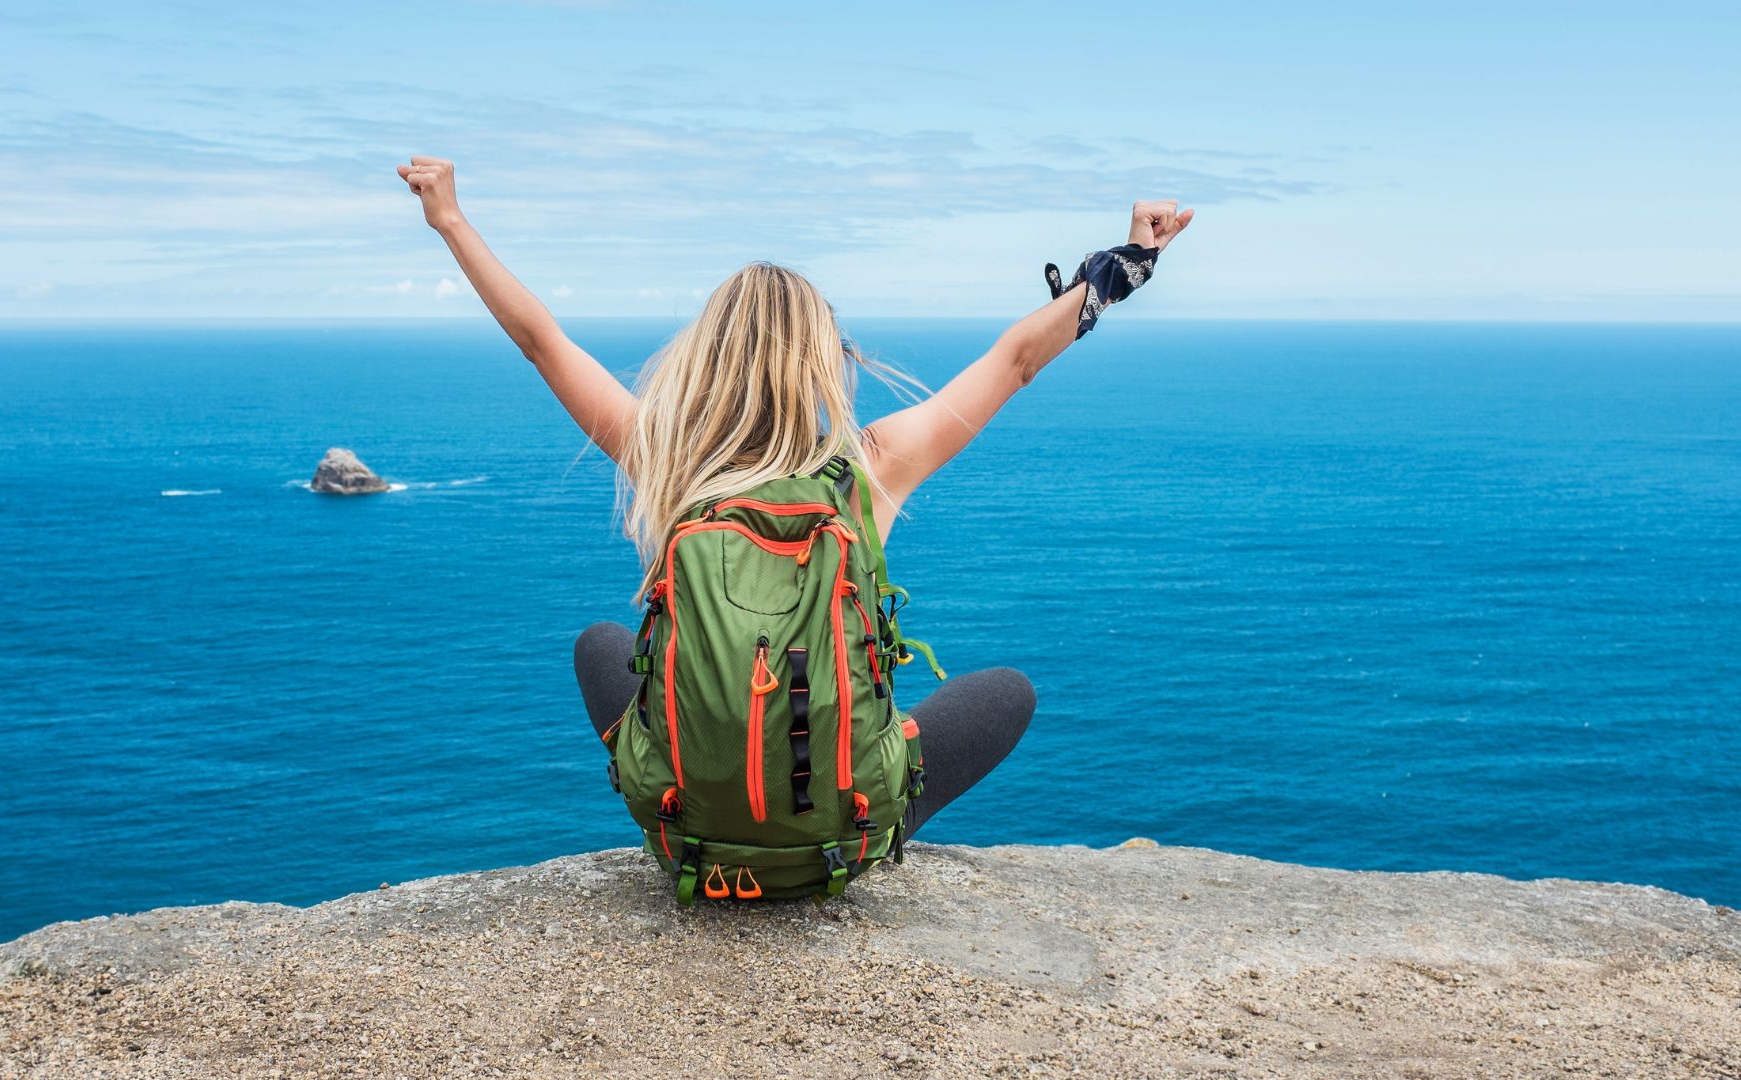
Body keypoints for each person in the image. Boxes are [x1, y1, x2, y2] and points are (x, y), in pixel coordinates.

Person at [397, 155, 1192, 842]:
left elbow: (542, 341)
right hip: (838, 835)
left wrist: (451, 221)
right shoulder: (871, 466)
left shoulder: (671, 462)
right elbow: (1015, 361)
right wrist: (1128, 264)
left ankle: (690, 804)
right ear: (822, 357)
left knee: (599, 644)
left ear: (706, 356)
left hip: (691, 839)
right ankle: (861, 823)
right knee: (1007, 694)